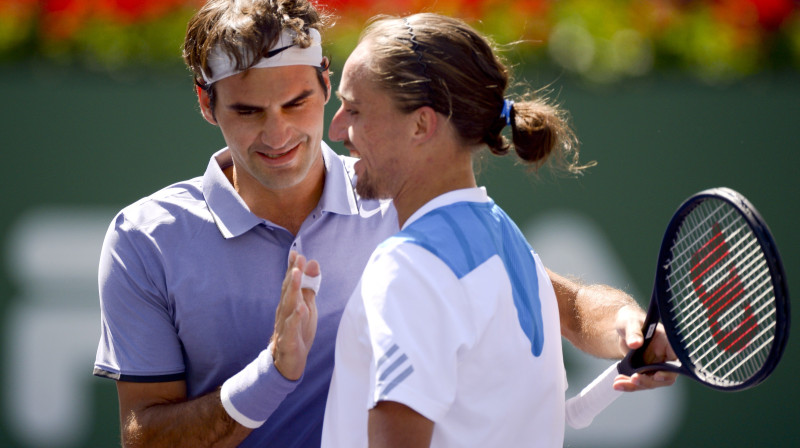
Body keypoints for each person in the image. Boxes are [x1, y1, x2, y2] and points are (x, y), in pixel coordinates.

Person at [93, 1, 674, 447]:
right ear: (206, 103)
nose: (277, 135)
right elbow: (144, 436)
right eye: (247, 112)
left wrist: (627, 322)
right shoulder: (143, 238)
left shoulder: (403, 209)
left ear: (325, 82)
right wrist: (270, 375)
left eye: (297, 103)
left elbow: (565, 307)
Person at [319, 13, 674, 447]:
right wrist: (625, 320)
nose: (336, 128)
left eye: (354, 109)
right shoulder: (503, 239)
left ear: (421, 124)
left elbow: (576, 306)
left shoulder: (407, 269)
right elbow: (575, 306)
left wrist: (623, 319)